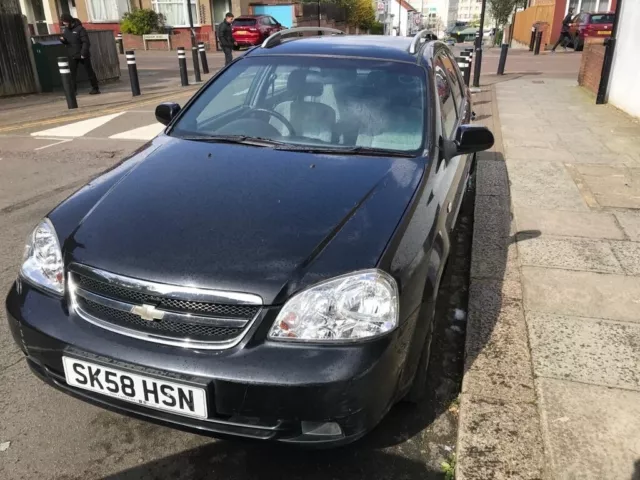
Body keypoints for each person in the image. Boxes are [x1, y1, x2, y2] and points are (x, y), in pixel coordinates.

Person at [59, 13, 100, 94]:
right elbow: (68, 42)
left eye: (65, 22)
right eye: (63, 22)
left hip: (82, 54)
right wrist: (63, 40)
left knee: (89, 71)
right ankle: (73, 91)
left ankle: (95, 88)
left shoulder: (80, 29)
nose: (64, 24)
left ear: (70, 21)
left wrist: (83, 53)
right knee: (72, 73)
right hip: (72, 54)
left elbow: (86, 42)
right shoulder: (66, 30)